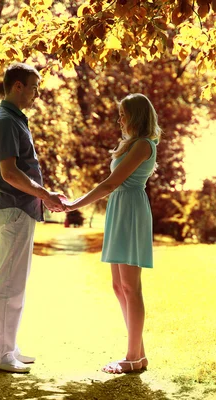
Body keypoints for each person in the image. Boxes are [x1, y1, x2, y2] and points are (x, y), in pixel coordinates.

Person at [64, 93, 160, 374]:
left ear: (136, 116)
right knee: (119, 287)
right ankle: (138, 354)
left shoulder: (143, 144)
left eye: (123, 114)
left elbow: (110, 184)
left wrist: (73, 204)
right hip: (120, 210)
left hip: (130, 211)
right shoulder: (130, 145)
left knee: (131, 287)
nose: (119, 119)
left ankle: (131, 358)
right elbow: (111, 185)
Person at [0, 62, 66, 373]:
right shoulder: (5, 121)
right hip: (15, 208)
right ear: (17, 86)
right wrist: (45, 194)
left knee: (16, 283)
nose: (37, 93)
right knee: (8, 284)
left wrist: (42, 198)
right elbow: (10, 173)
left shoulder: (14, 120)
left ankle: (9, 346)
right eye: (33, 87)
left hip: (22, 209)